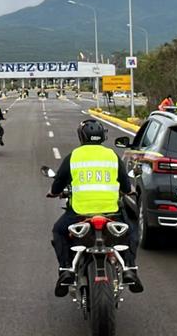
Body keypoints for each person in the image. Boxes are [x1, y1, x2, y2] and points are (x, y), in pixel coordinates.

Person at [47, 119, 143, 297]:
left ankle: (66, 270)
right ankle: (130, 267)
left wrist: (53, 192)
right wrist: (129, 191)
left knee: (59, 231)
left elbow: (58, 184)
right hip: (111, 213)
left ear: (81, 137)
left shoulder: (74, 156)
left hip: (79, 213)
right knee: (132, 229)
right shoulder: (112, 156)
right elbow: (125, 184)